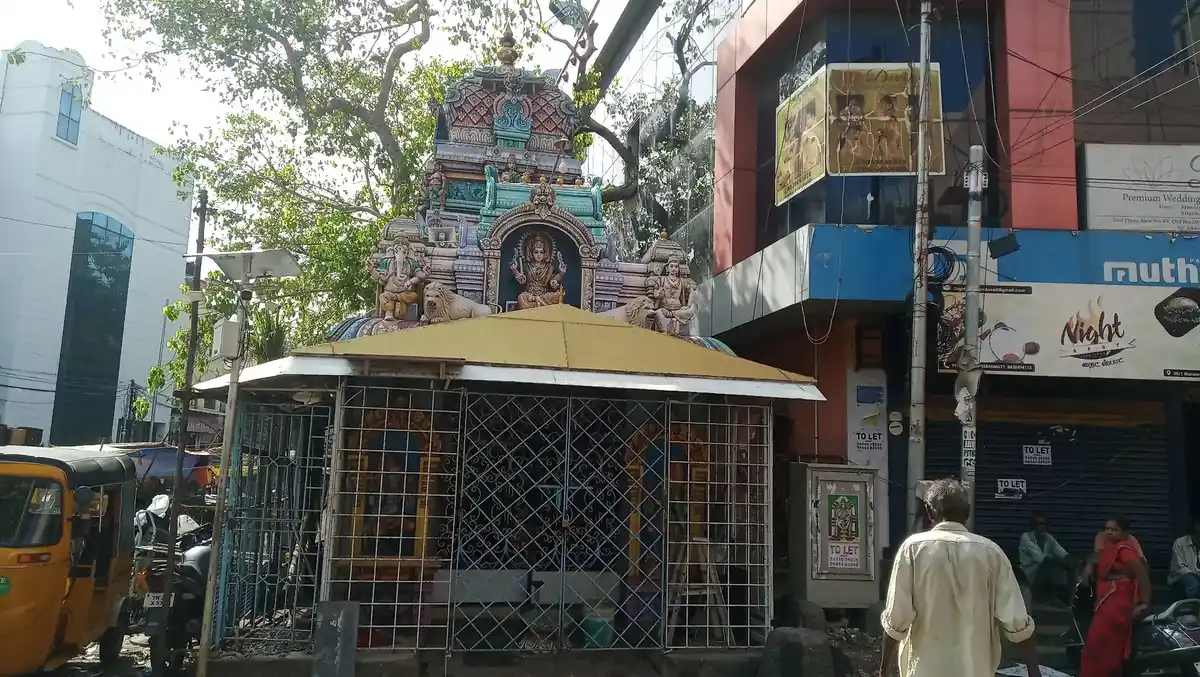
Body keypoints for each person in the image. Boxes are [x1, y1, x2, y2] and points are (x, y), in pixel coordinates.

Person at [879, 479, 1041, 677]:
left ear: (930, 512)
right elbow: (1017, 621)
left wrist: (884, 670)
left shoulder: (912, 549)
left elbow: (897, 617)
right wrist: (1034, 671)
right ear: (968, 512)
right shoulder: (992, 553)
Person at [1079, 517, 1152, 677]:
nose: (1109, 532)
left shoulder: (1124, 550)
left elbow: (1142, 574)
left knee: (1104, 645)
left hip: (1118, 602)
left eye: (1115, 529)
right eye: (1107, 529)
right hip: (1105, 600)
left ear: (1124, 533)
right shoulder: (1106, 550)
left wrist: (1144, 603)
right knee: (1095, 645)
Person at [1018, 515, 1073, 605]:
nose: (1042, 527)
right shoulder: (1026, 537)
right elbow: (1040, 558)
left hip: (1045, 571)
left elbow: (1061, 552)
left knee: (1068, 564)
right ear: (1034, 525)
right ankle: (1049, 597)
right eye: (1039, 524)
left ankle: (1068, 596)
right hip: (1030, 573)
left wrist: (1069, 559)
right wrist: (1060, 562)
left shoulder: (1048, 537)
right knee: (1048, 564)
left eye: (1043, 524)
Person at [1169, 518, 1200, 600]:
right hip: (1180, 577)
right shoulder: (1180, 543)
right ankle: (1194, 603)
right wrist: (1196, 574)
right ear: (1197, 526)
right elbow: (1179, 567)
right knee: (1191, 581)